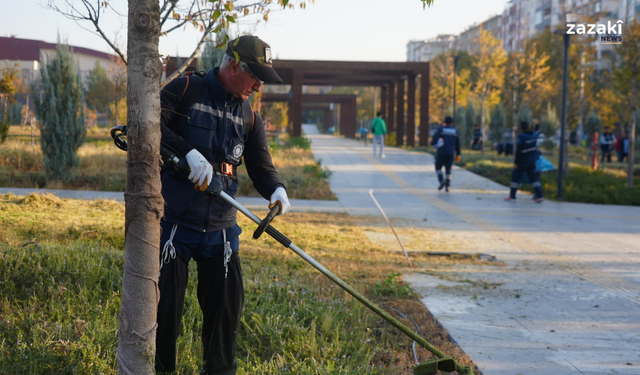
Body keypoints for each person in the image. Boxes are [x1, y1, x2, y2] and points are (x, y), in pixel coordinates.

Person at [156, 35, 291, 375]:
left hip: (222, 229)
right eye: (256, 77)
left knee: (226, 313)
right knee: (164, 310)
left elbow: (261, 165)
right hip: (175, 222)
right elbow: (148, 125)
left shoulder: (249, 115)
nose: (259, 87)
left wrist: (276, 190)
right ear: (234, 65)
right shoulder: (185, 89)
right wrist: (185, 151)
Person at [505, 121, 544, 203]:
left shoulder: (521, 137)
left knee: (515, 178)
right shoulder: (534, 135)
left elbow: (519, 152)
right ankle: (539, 196)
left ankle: (512, 196)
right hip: (532, 161)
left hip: (522, 162)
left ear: (521, 128)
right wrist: (536, 124)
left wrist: (516, 163)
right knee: (534, 179)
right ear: (528, 127)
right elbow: (538, 130)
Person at [430, 115, 461, 192]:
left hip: (441, 152)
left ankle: (441, 181)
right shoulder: (455, 131)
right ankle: (448, 186)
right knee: (448, 169)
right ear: (452, 122)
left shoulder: (441, 129)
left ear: (445, 122)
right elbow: (458, 143)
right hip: (450, 153)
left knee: (438, 167)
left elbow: (435, 138)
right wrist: (458, 154)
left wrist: (432, 143)